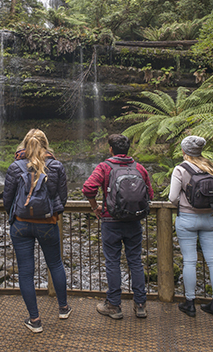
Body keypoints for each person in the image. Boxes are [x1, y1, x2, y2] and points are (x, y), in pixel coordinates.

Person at [3, 129, 70, 333]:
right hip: (48, 223)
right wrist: (53, 214)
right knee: (55, 264)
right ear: (46, 144)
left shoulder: (15, 167)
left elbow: (8, 198)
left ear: (24, 145)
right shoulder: (56, 166)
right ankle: (63, 308)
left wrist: (14, 216)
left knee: (25, 271)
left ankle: (35, 320)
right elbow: (62, 198)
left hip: (21, 224)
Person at [82, 133, 154, 320]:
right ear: (128, 149)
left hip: (110, 222)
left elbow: (88, 188)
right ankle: (140, 305)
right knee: (135, 262)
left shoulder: (105, 167)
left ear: (111, 149)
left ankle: (114, 305)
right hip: (134, 222)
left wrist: (95, 207)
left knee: (113, 262)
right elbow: (150, 195)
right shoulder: (139, 167)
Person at [169, 135, 213, 319]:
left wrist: (186, 205)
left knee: (189, 261)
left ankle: (190, 303)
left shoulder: (180, 169)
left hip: (186, 219)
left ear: (184, 151)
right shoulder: (212, 169)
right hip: (210, 218)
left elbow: (172, 197)